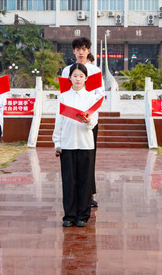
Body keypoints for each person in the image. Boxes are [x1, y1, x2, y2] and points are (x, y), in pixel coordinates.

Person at [53, 63, 98, 227]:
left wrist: (88, 120)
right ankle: (69, 215)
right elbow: (59, 120)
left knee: (85, 181)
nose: (78, 79)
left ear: (86, 78)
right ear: (69, 78)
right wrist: (57, 142)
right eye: (75, 76)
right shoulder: (63, 97)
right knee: (69, 180)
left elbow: (94, 121)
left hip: (86, 144)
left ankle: (83, 216)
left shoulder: (91, 98)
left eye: (81, 76)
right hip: (68, 143)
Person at [61, 37, 104, 208]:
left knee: (89, 158)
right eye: (78, 49)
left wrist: (88, 114)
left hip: (88, 119)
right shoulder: (67, 70)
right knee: (71, 160)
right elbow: (64, 93)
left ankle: (89, 193)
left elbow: (100, 95)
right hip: (70, 120)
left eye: (84, 49)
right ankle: (73, 195)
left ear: (88, 51)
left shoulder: (94, 70)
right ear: (73, 51)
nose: (81, 52)